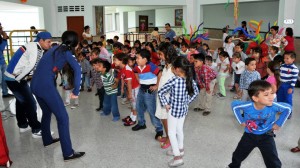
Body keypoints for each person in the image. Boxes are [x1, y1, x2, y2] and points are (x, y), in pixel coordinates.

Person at [30, 31, 85, 161]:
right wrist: (76, 91)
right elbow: (78, 70)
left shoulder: (54, 48)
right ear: (75, 43)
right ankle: (68, 153)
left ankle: (47, 139)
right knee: (63, 118)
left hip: (34, 85)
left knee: (47, 112)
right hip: (45, 86)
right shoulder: (67, 53)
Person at [227, 80, 291, 168]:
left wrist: (279, 123)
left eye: (271, 93)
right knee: (238, 155)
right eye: (266, 94)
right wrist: (241, 120)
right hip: (249, 136)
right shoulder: (248, 106)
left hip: (267, 136)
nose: (271, 97)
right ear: (255, 98)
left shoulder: (274, 105)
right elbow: (234, 105)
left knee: (273, 160)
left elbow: (288, 108)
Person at [4, 32, 52, 138]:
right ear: (41, 41)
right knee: (30, 103)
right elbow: (31, 66)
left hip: (14, 77)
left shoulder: (33, 46)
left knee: (21, 102)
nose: (50, 44)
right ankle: (36, 129)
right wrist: (19, 79)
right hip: (15, 79)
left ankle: (23, 125)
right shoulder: (36, 48)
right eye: (48, 42)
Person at [158, 56, 199, 167]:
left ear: (176, 69)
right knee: (179, 130)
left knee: (171, 132)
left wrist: (165, 104)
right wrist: (187, 102)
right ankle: (180, 149)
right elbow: (196, 92)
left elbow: (161, 92)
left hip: (173, 110)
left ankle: (177, 157)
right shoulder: (190, 80)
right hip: (183, 110)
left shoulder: (174, 80)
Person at [132, 49, 164, 140]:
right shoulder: (137, 66)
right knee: (139, 107)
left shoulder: (151, 66)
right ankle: (141, 123)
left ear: (145, 59)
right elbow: (135, 72)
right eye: (136, 58)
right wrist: (139, 80)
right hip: (142, 89)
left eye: (138, 58)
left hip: (150, 91)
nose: (136, 60)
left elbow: (160, 74)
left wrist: (157, 85)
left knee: (151, 110)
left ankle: (159, 129)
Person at [155, 42, 177, 149]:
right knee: (163, 118)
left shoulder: (174, 67)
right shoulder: (167, 64)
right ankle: (168, 135)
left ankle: (170, 139)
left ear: (168, 54)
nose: (159, 56)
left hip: (168, 98)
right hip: (162, 95)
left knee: (167, 119)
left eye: (161, 54)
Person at [114, 53, 139, 126]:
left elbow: (129, 83)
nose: (114, 62)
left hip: (134, 88)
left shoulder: (127, 70)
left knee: (134, 104)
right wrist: (121, 88)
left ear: (121, 61)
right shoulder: (122, 68)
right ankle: (131, 117)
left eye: (115, 60)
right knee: (131, 104)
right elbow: (122, 78)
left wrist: (130, 94)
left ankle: (134, 119)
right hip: (130, 88)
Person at [277, 51, 299, 119]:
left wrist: (291, 87)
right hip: (281, 84)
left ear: (293, 59)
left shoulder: (294, 68)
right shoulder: (282, 66)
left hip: (288, 86)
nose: (285, 59)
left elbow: (294, 79)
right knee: (280, 98)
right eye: (284, 58)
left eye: (287, 58)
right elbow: (279, 74)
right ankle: (281, 110)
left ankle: (288, 113)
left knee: (287, 99)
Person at [0, 23, 13, 98]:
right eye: (0, 29)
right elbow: (1, 48)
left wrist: (4, 38)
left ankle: (5, 93)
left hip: (2, 61)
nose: (1, 30)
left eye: (1, 28)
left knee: (4, 78)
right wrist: (4, 38)